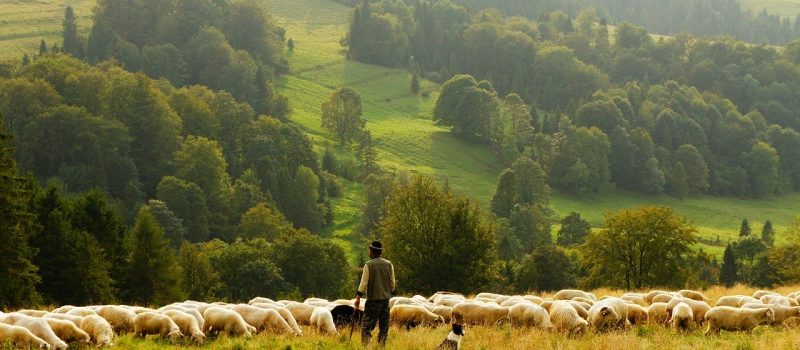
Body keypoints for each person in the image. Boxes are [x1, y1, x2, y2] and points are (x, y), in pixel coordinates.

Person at [355, 240, 396, 346]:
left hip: (373, 301)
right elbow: (392, 282)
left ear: (372, 252)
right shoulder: (389, 264)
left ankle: (365, 347)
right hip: (385, 301)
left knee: (366, 327)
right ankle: (381, 346)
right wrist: (391, 291)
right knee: (384, 327)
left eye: (369, 250)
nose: (368, 252)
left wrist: (358, 297)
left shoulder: (368, 265)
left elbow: (363, 283)